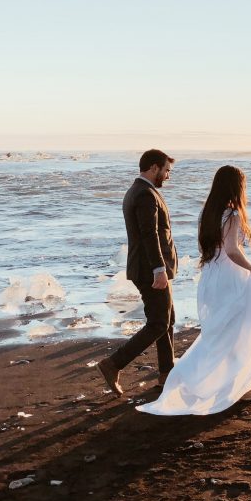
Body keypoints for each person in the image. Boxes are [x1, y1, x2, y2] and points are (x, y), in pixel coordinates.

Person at [137, 165, 251, 416]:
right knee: (237, 332)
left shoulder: (207, 213)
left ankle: (219, 384)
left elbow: (211, 250)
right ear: (236, 187)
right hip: (230, 278)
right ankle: (228, 386)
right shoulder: (232, 214)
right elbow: (232, 251)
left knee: (218, 334)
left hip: (211, 277)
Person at [98, 149, 179, 396]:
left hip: (146, 269)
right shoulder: (144, 194)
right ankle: (113, 364)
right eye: (166, 171)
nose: (167, 176)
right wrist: (159, 270)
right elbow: (149, 235)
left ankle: (167, 374)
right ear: (153, 168)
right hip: (149, 270)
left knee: (168, 320)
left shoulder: (138, 190)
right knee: (158, 323)